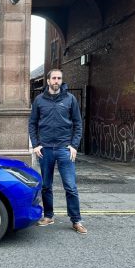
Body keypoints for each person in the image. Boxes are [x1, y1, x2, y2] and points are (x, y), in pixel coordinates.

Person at [29, 69, 87, 234]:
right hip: (45, 149)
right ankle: (48, 215)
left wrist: (74, 145)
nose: (56, 81)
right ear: (48, 81)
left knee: (70, 186)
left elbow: (78, 123)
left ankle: (76, 220)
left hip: (64, 149)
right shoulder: (39, 100)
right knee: (46, 185)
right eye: (53, 78)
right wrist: (36, 144)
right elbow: (32, 124)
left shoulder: (70, 99)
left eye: (59, 78)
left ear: (62, 80)